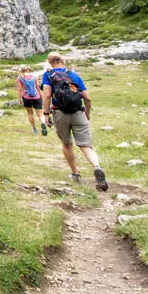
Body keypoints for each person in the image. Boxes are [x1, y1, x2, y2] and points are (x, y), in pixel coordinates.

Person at [41, 52, 107, 191]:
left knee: (67, 144)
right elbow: (87, 98)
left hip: (60, 113)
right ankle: (96, 166)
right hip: (78, 112)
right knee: (86, 146)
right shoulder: (74, 75)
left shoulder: (48, 75)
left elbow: (47, 95)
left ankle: (75, 174)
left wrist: (46, 114)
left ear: (49, 62)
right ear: (63, 60)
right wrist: (87, 112)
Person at [17, 65, 44, 134]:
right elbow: (38, 87)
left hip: (26, 97)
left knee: (30, 113)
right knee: (40, 113)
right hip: (36, 96)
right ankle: (43, 122)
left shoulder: (20, 78)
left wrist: (20, 99)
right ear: (28, 70)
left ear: (20, 71)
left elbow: (20, 90)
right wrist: (41, 96)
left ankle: (34, 129)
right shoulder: (34, 77)